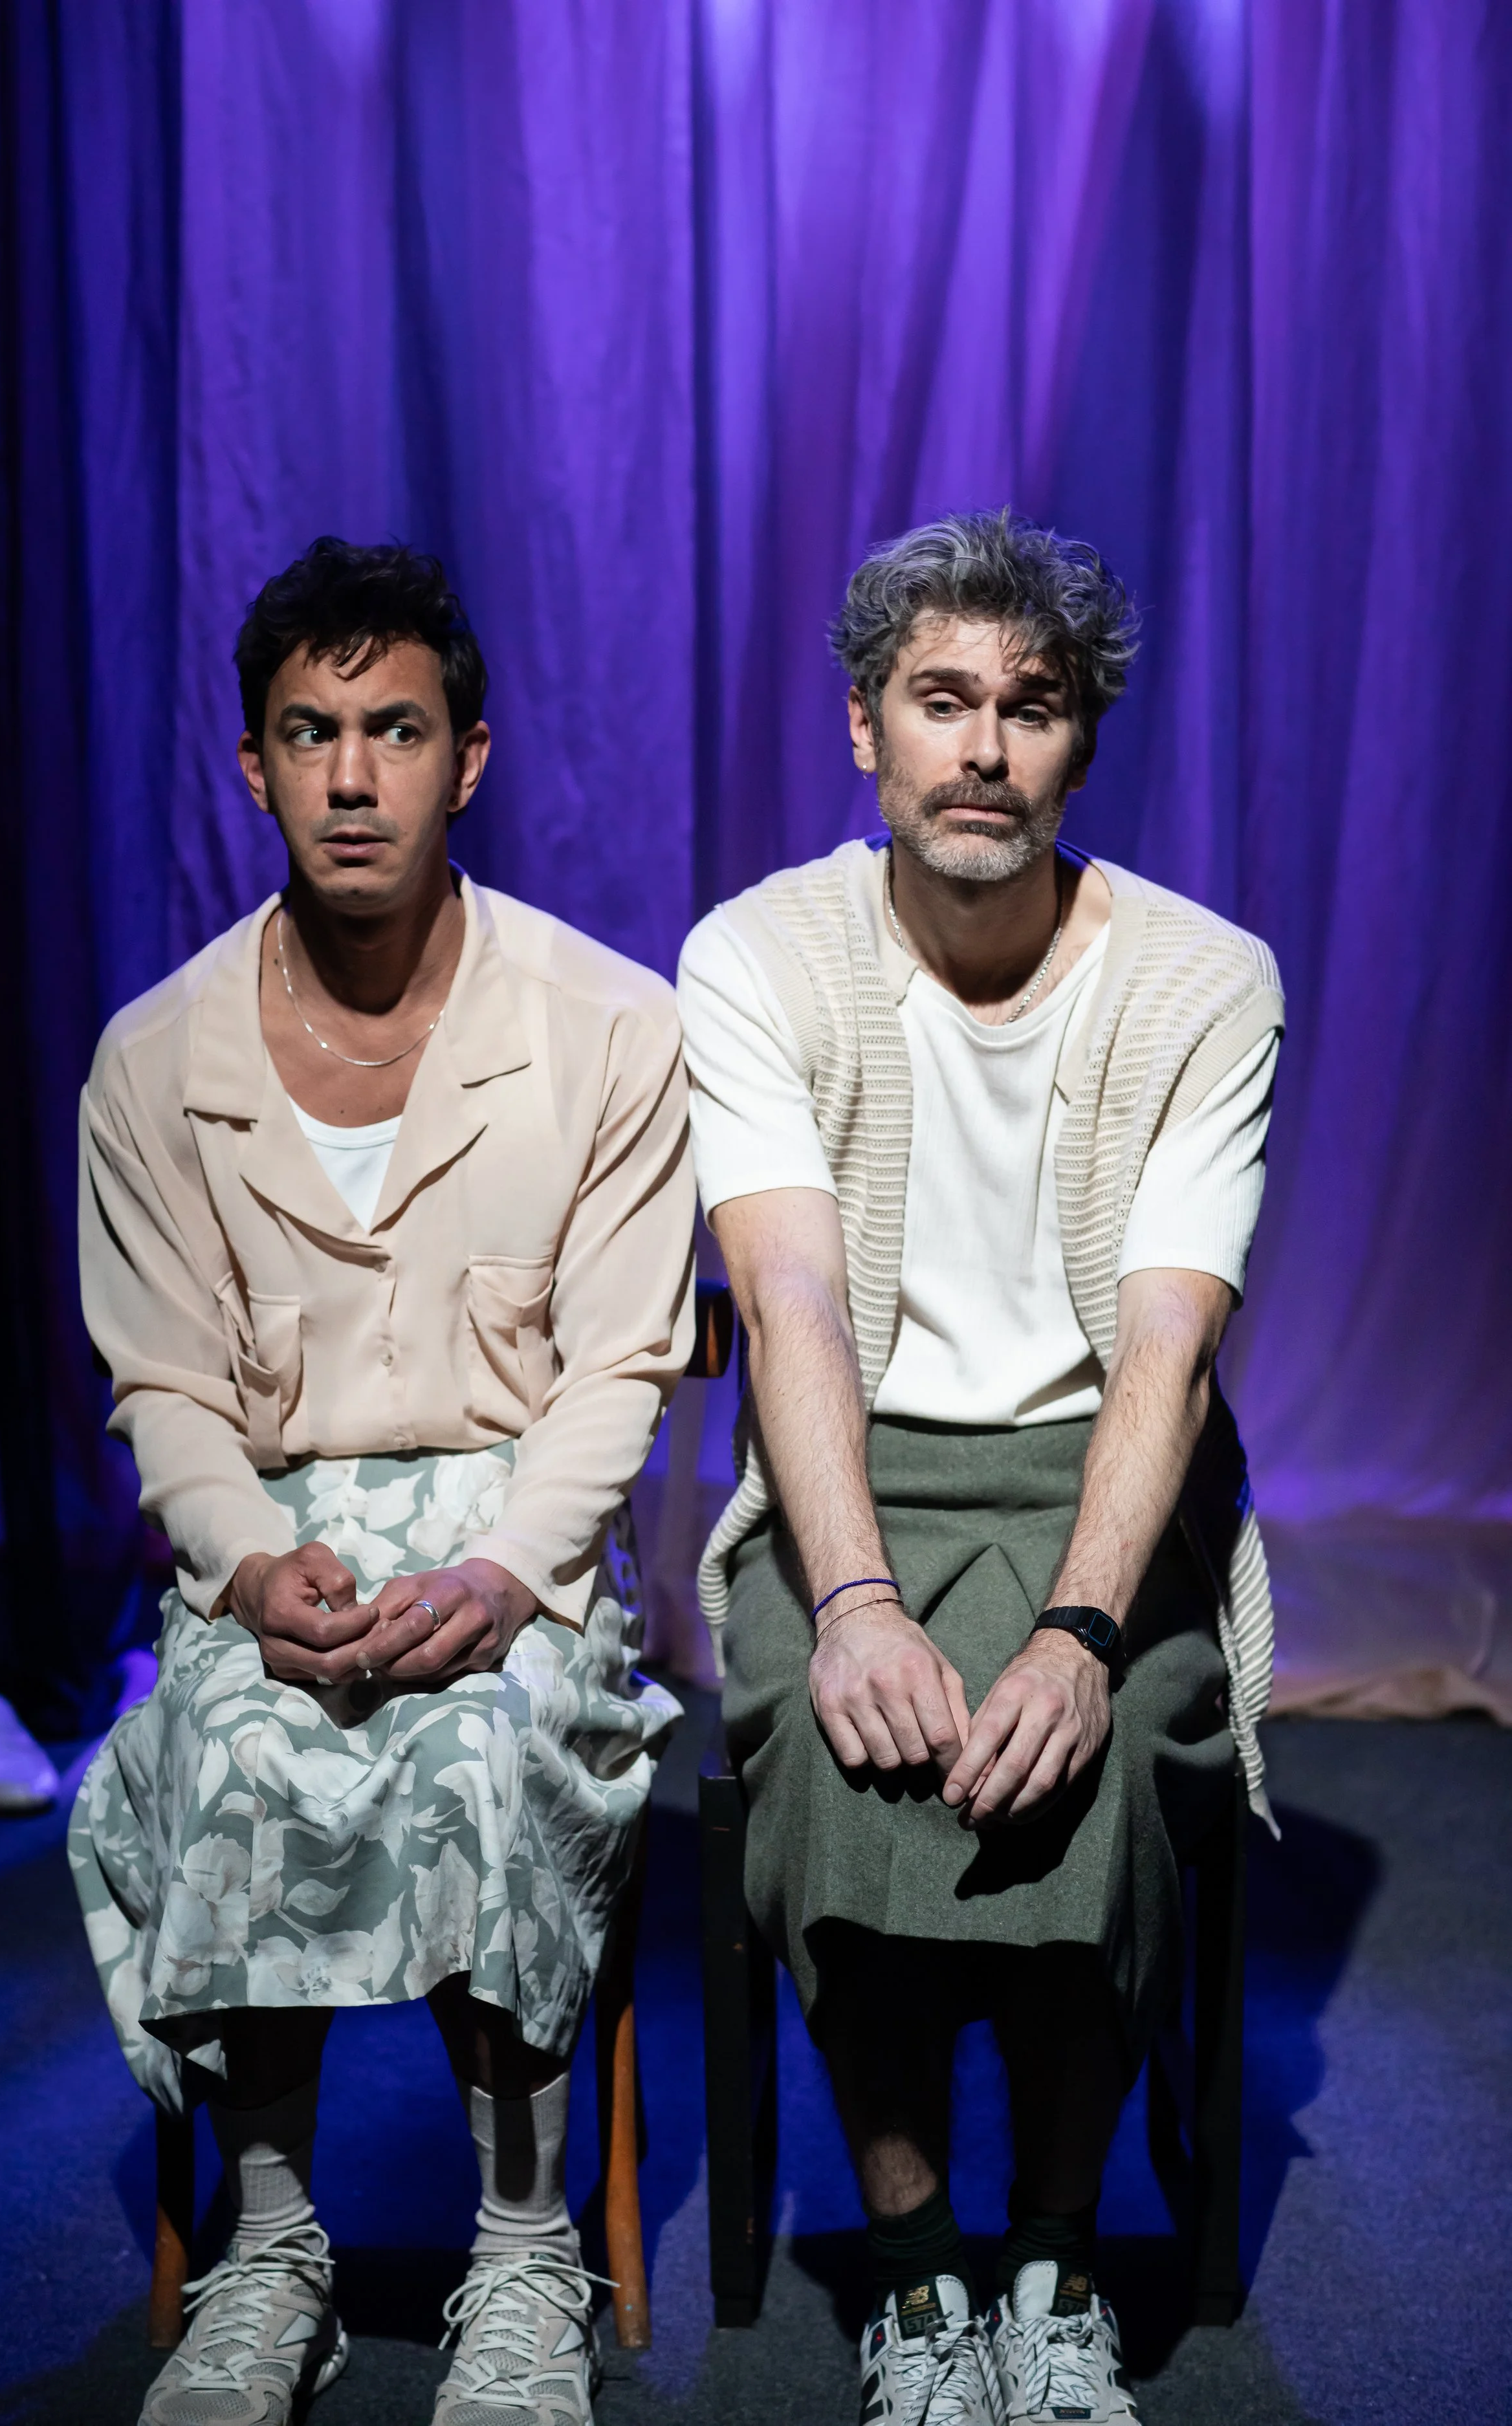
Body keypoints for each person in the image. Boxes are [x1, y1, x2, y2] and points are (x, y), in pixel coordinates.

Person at [69, 538, 694, 2426]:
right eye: (310, 733)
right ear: (251, 766)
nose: (353, 777)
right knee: (239, 1742)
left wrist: (504, 1577)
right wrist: (255, 1571)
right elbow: (165, 1385)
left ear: (469, 757)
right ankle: (273, 2252)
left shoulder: (602, 1026)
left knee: (487, 1746)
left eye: (394, 730)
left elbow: (622, 1368)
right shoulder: (155, 1059)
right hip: (275, 1539)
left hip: (525, 1542)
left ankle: (522, 2258)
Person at [677, 510, 1282, 2426]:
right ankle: (919, 2275)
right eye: (941, 701)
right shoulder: (760, 952)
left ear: (1079, 741)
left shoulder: (1200, 978)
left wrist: (1083, 1630)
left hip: (1109, 1474)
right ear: (865, 726)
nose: (983, 749)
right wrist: (845, 1603)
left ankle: (1051, 2260)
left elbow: (1170, 1349)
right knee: (840, 1759)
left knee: (1083, 1767)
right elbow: (787, 1307)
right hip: (847, 1466)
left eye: (1029, 708)